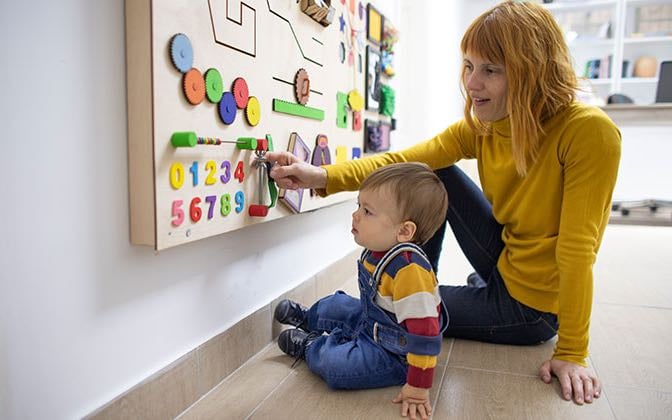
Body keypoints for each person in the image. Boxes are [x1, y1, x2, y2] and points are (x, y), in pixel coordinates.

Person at [266, 0, 621, 407]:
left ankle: (387, 309)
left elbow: (578, 251)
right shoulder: (487, 126)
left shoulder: (589, 133)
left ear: (532, 72)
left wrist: (572, 353)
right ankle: (414, 281)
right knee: (429, 174)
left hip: (534, 305)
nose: (472, 83)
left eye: (491, 70)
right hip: (506, 259)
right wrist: (322, 176)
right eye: (469, 66)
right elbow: (401, 162)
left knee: (404, 316)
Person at [274, 162, 449, 420]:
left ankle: (312, 347)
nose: (355, 215)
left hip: (393, 354)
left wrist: (417, 387)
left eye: (367, 211)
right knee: (336, 304)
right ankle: (309, 318)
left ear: (404, 231)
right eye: (358, 206)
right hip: (371, 323)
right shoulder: (379, 249)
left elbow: (426, 336)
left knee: (337, 367)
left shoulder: (411, 274)